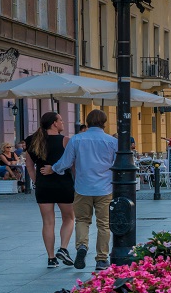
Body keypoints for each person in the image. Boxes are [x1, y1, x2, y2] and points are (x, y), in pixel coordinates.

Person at [44, 108, 117, 271]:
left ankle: (82, 246)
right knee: (104, 224)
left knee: (82, 220)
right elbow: (117, 164)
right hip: (104, 188)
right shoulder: (112, 141)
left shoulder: (77, 139)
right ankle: (102, 259)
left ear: (88, 122)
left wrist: (53, 169)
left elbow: (66, 162)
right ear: (104, 123)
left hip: (82, 187)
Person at [23, 112, 75, 268]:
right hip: (63, 183)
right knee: (69, 218)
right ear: (54, 123)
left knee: (47, 222)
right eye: (61, 120)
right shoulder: (65, 141)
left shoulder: (32, 141)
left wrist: (36, 181)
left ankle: (51, 258)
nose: (63, 123)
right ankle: (63, 248)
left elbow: (29, 166)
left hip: (43, 185)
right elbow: (72, 164)